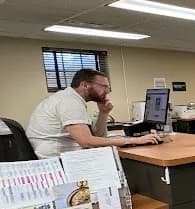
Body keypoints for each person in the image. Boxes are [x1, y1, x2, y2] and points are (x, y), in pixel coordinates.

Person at [26, 68, 160, 159]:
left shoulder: (70, 98)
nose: (108, 91)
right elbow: (87, 142)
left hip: (61, 156)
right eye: (104, 87)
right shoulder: (69, 101)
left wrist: (103, 112)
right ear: (85, 85)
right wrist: (134, 140)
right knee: (122, 160)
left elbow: (96, 136)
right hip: (57, 161)